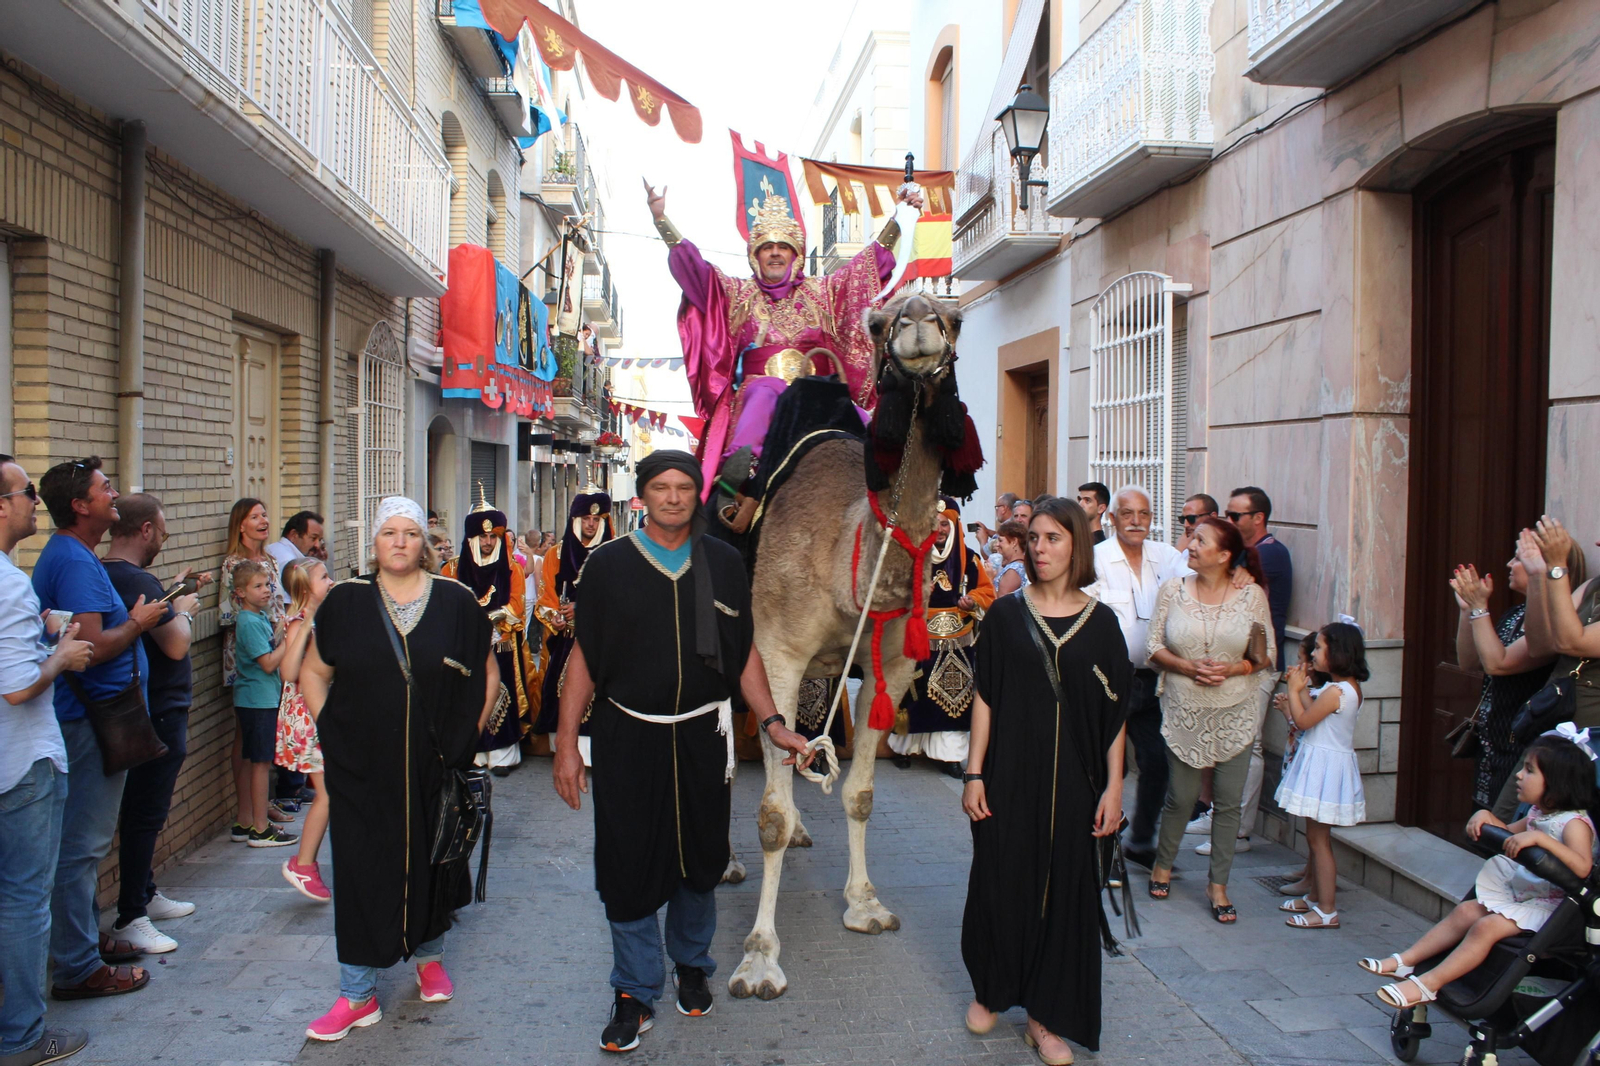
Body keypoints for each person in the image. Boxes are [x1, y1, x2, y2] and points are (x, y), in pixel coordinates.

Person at [550, 450, 813, 1054]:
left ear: (698, 495)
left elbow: (742, 651)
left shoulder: (722, 562)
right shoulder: (609, 566)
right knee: (628, 860)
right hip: (627, 734)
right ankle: (633, 991)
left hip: (703, 734)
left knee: (700, 856)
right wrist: (566, 744)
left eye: (684, 488)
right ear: (641, 496)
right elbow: (584, 659)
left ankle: (692, 964)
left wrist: (773, 722)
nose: (673, 497)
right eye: (660, 488)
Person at [297, 497, 499, 1042]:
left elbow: (489, 675)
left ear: (426, 545)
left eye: (411, 533)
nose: (401, 542)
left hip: (436, 766)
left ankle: (430, 959)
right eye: (390, 533)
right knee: (361, 870)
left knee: (435, 863)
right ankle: (356, 993)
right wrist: (333, 732)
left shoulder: (457, 602)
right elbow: (312, 673)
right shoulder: (345, 601)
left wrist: (465, 738)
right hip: (362, 768)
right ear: (375, 543)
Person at [960, 497, 1131, 1065]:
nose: (1040, 548)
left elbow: (1115, 718)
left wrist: (1114, 788)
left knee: (1065, 898)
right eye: (1033, 538)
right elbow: (986, 697)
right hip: (1009, 777)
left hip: (1078, 788)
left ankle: (1045, 1017)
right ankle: (992, 989)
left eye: (1053, 538)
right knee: (1001, 881)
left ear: (1077, 544)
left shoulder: (1102, 624)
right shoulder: (1007, 616)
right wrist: (974, 772)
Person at [647, 178, 923, 496]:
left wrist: (899, 220)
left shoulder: (823, 291)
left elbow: (865, 268)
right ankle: (740, 469)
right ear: (755, 255)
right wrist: (662, 221)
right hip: (759, 396)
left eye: (783, 247)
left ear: (795, 254)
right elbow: (697, 274)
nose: (775, 254)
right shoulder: (738, 293)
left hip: (815, 394)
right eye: (767, 248)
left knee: (865, 425)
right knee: (766, 388)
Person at [31, 457, 167, 1000]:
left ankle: (83, 939)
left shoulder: (76, 555)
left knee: (82, 841)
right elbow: (85, 650)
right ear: (80, 505)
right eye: (104, 489)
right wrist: (138, 622)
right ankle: (78, 964)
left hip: (96, 719)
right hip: (89, 722)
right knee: (81, 845)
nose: (115, 495)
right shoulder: (72, 560)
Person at [1359, 734, 1596, 1008]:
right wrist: (1484, 816)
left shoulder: (1573, 823)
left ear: (1557, 782)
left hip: (1555, 909)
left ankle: (1428, 984)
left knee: (1486, 926)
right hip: (1528, 897)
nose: (1519, 775)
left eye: (1529, 770)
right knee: (1466, 910)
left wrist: (1540, 840)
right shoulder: (1537, 814)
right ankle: (1406, 961)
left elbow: (1582, 866)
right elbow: (1506, 834)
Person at [0, 454, 95, 1064]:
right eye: (24, 491)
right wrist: (60, 657)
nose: (33, 500)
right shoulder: (8, 582)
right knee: (24, 899)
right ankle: (23, 1036)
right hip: (21, 765)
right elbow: (17, 688)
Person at [1145, 516, 1273, 923]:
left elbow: (1262, 656)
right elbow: (1152, 648)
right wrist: (1186, 666)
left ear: (1224, 555)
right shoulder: (1172, 590)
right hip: (1184, 708)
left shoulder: (1251, 595)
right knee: (1181, 796)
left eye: (1200, 540)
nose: (1191, 545)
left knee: (1229, 802)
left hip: (1236, 708)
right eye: (1192, 537)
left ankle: (1218, 885)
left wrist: (1232, 670)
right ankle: (1163, 865)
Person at [102, 494, 208, 954]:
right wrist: (183, 608)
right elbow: (176, 644)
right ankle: (131, 914)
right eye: (162, 532)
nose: (163, 540)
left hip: (152, 707)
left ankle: (144, 891)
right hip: (159, 709)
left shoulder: (110, 575)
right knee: (146, 811)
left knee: (145, 809)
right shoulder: (133, 578)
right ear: (145, 530)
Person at [1086, 486, 1192, 869]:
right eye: (1127, 513)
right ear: (1112, 518)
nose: (1135, 521)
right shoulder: (1096, 559)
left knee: (1157, 763)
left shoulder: (1166, 557)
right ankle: (1103, 843)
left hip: (1154, 679)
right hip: (1107, 680)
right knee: (1104, 765)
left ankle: (1141, 841)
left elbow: (1203, 575)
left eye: (1143, 514)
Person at [1449, 538, 1580, 814]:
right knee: (1482, 828)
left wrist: (1479, 608)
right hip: (1492, 743)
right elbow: (1471, 661)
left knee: (1503, 831)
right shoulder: (1515, 613)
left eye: (1519, 558)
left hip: (1520, 744)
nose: (1510, 564)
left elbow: (1499, 664)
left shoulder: (1552, 621)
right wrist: (1467, 610)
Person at [888, 497, 996, 775]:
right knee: (912, 695)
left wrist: (972, 600)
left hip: (957, 639)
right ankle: (903, 748)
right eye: (935, 524)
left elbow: (987, 592)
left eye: (945, 523)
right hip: (918, 636)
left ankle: (949, 756)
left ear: (954, 524)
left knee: (954, 699)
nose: (941, 529)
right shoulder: (913, 556)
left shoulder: (970, 558)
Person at [1275, 622, 1370, 930]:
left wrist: (1292, 691)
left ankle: (1327, 909)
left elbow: (1303, 722)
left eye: (1318, 648)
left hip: (1324, 769)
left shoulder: (1336, 691)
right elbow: (1313, 718)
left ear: (1337, 652)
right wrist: (1301, 691)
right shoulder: (1343, 689)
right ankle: (1316, 898)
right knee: (1316, 837)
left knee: (1319, 840)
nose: (1313, 653)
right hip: (1325, 763)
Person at [1220, 486, 1292, 855]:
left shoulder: (1270, 554)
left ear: (1257, 518)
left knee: (1249, 745)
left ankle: (1239, 831)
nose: (1227, 521)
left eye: (1234, 516)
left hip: (1259, 663)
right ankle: (1225, 819)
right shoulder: (1250, 554)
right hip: (1240, 663)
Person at [442, 497, 538, 774]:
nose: (487, 542)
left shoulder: (512, 569)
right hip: (465, 648)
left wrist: (488, 621)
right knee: (467, 699)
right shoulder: (452, 568)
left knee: (501, 696)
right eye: (482, 536)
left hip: (501, 644)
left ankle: (502, 756)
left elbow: (517, 607)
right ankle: (470, 753)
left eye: (492, 536)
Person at [219, 499, 290, 825]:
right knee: (247, 735)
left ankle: (265, 802)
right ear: (241, 524)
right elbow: (228, 613)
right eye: (254, 516)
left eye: (264, 514)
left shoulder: (272, 560)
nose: (263, 520)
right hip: (250, 652)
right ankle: (247, 811)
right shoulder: (233, 564)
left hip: (275, 645)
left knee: (264, 735)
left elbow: (278, 602)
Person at [531, 490, 615, 757]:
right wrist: (554, 615)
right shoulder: (556, 554)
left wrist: (586, 610)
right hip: (565, 639)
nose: (590, 524)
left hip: (602, 639)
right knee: (560, 690)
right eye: (585, 518)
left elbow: (621, 598)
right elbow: (545, 598)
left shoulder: (615, 553)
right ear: (575, 519)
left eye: (596, 518)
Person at [277, 558, 335, 902]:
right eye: (323, 577)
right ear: (304, 588)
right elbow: (287, 671)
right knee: (327, 793)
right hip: (307, 719)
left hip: (320, 712)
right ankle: (303, 863)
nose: (330, 581)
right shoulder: (298, 623)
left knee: (333, 792)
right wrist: (311, 613)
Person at [230, 561, 297, 848]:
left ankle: (246, 822)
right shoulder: (248, 621)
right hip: (258, 701)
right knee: (260, 763)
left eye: (267, 585)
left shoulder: (257, 618)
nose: (266, 591)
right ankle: (260, 829)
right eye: (257, 587)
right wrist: (290, 641)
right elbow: (268, 663)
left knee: (252, 760)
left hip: (257, 698)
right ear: (240, 593)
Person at [263, 511, 325, 601]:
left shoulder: (276, 549)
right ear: (293, 535)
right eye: (313, 538)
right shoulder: (288, 561)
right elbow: (289, 603)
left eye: (320, 540)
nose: (317, 545)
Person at [994, 519, 1030, 596]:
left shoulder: (1014, 570)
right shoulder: (1020, 565)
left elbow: (1001, 603)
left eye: (1000, 541)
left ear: (1014, 542)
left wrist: (989, 579)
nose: (997, 544)